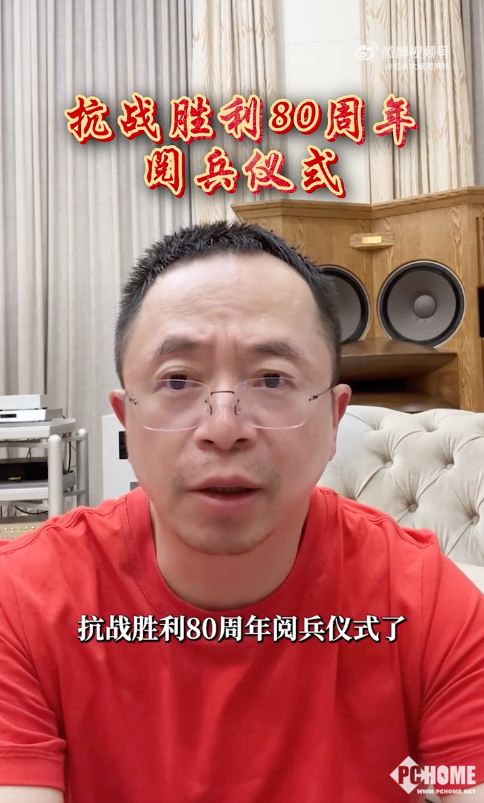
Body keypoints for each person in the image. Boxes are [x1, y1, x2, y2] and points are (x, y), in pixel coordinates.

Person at [0, 221, 483, 803]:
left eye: (272, 378)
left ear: (333, 420)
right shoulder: (22, 602)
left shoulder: (428, 605)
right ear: (127, 420)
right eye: (177, 379)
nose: (224, 428)